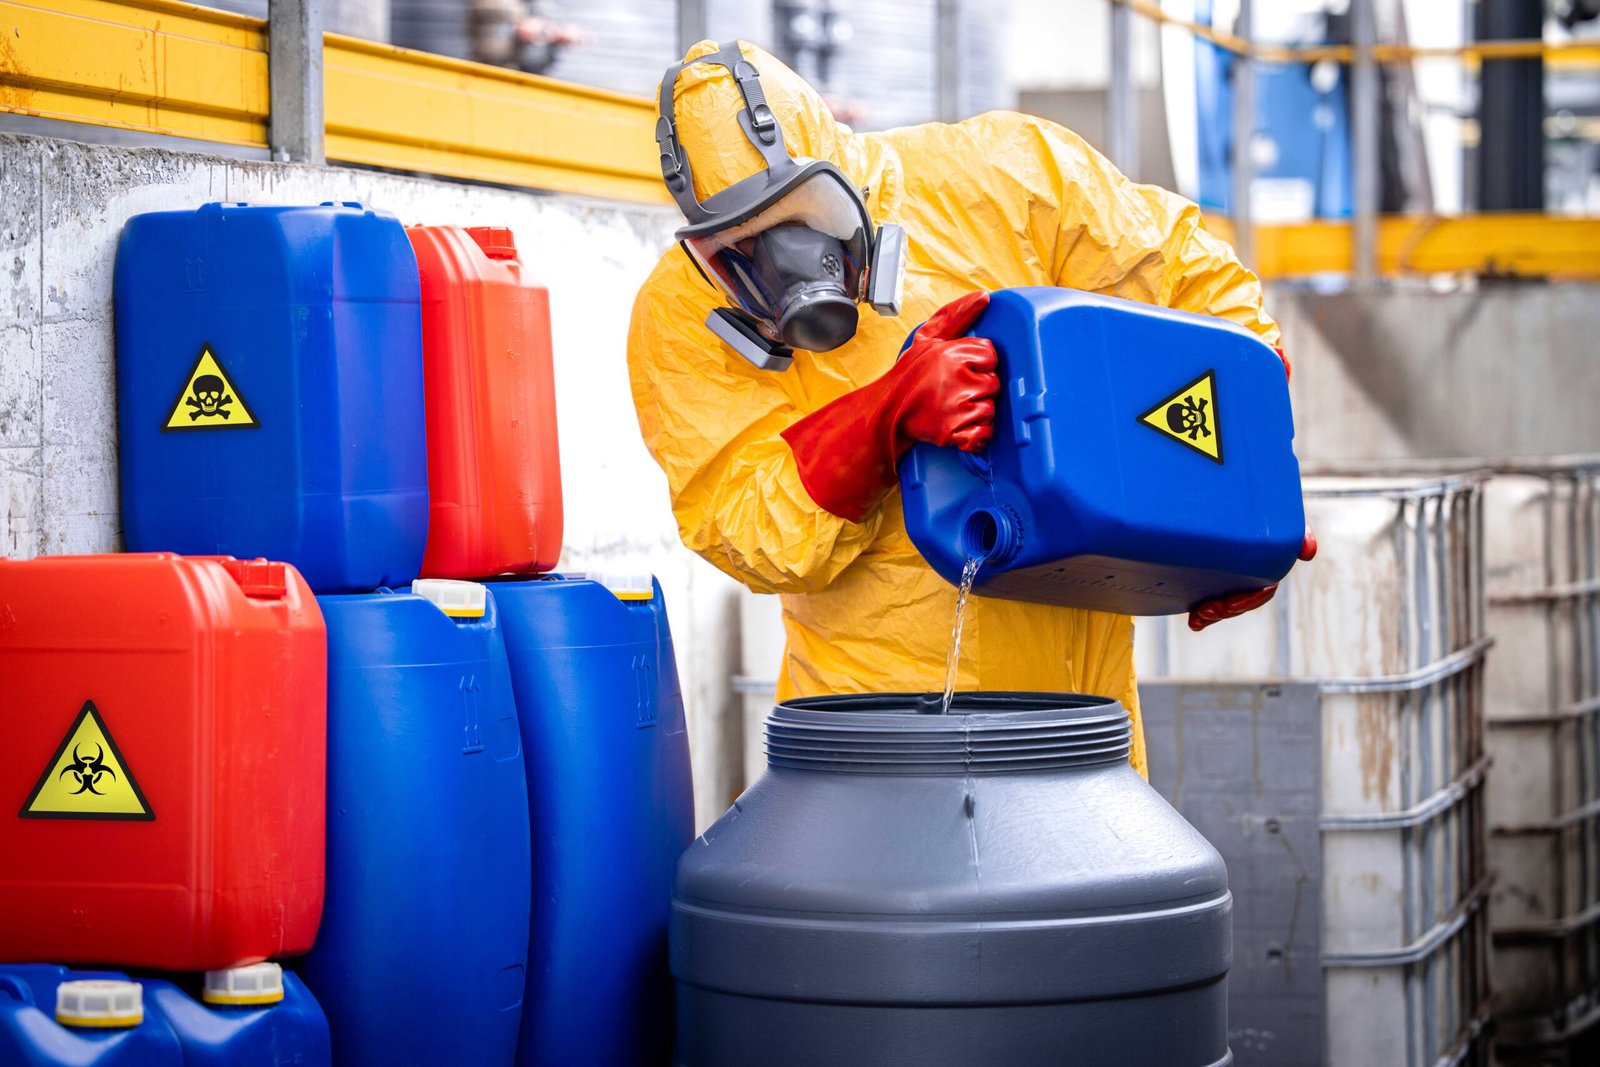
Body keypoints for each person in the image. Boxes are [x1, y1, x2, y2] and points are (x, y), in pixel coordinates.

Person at [627, 40, 1314, 776]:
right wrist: (884, 415)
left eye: (802, 219)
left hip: (1078, 725)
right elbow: (745, 527)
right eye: (739, 249)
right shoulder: (682, 315)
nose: (783, 270)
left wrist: (1237, 518)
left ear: (840, 166)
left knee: (1092, 891)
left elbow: (1196, 289)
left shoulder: (1005, 180)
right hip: (880, 739)